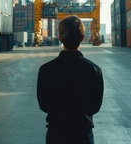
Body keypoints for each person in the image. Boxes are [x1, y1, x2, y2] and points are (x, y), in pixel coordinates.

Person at [37, 15, 104, 144]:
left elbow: (44, 105)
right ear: (82, 38)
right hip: (82, 135)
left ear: (60, 38)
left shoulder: (45, 70)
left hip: (56, 134)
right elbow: (94, 107)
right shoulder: (94, 70)